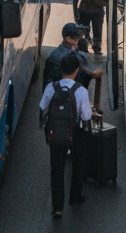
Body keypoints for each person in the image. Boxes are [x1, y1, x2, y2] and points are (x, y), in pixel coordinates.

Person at [39, 53, 93, 217]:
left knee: (57, 169)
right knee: (78, 165)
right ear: (77, 70)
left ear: (61, 69)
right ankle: (75, 197)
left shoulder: (51, 87)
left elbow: (43, 107)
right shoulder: (81, 90)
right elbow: (86, 117)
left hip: (56, 133)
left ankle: (57, 207)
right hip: (75, 133)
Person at [43, 21, 104, 95]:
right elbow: (83, 74)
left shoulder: (55, 55)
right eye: (75, 40)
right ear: (68, 39)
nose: (77, 42)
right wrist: (92, 74)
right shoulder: (66, 58)